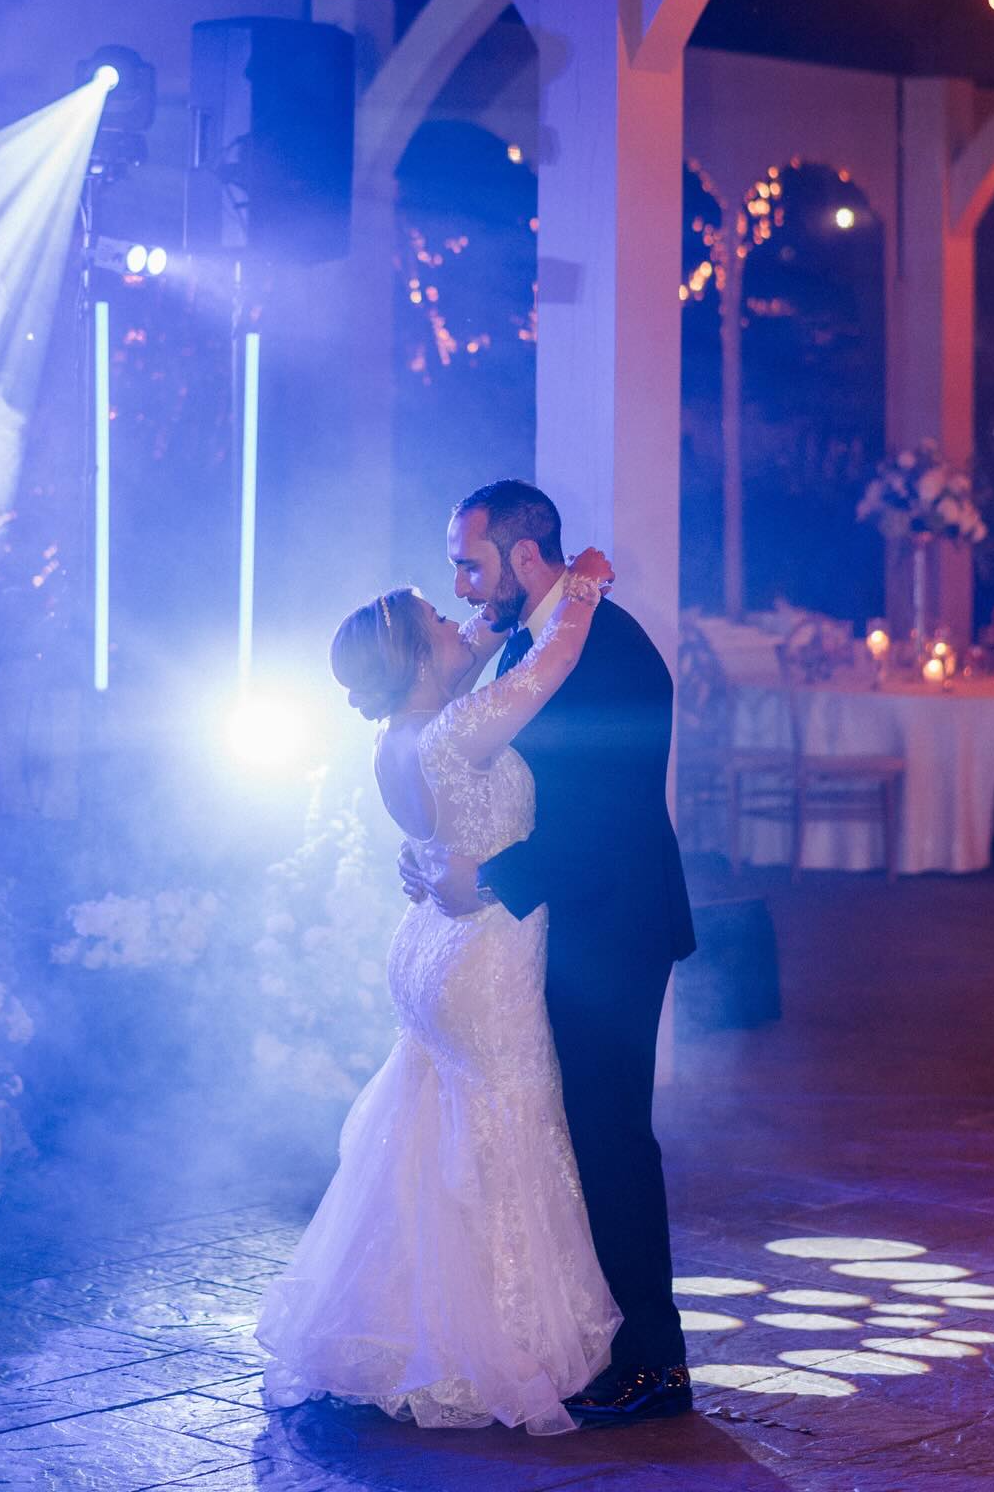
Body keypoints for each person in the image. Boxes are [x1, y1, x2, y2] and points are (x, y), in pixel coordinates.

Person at [257, 547, 620, 1434]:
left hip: (428, 949)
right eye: (440, 622)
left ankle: (405, 1327)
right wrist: (581, 590)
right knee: (505, 1132)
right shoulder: (459, 731)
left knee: (429, 1137)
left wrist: (494, 618)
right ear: (421, 659)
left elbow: (439, 823)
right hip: (481, 953)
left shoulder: (398, 738)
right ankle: (498, 1345)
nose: (461, 622)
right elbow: (554, 665)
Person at [410, 479, 696, 1425]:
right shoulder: (546, 637)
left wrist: (489, 883)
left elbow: (603, 820)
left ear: (525, 556)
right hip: (574, 921)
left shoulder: (599, 652)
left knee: (613, 1136)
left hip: (609, 922)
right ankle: (604, 1337)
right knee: (580, 1133)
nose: (459, 581)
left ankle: (657, 1363)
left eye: (470, 560)